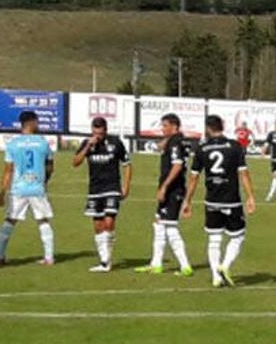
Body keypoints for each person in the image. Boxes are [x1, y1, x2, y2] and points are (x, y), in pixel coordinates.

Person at [183, 115, 257, 288]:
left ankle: (216, 276)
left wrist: (187, 201)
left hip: (212, 200)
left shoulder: (202, 149)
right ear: (222, 126)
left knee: (214, 239)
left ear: (208, 128)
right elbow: (243, 173)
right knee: (238, 236)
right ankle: (225, 265)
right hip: (232, 199)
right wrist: (251, 197)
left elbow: (194, 178)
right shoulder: (235, 146)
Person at [0, 111, 56, 266]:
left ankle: (0, 255)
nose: (38, 124)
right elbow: (50, 166)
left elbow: (8, 170)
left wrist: (2, 192)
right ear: (31, 123)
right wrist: (45, 180)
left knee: (10, 220)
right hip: (37, 188)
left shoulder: (13, 144)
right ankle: (49, 257)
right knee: (43, 220)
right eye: (37, 122)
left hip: (18, 189)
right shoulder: (42, 142)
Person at [136, 113, 193, 276]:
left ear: (174, 126)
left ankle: (185, 266)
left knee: (170, 228)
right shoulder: (178, 140)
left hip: (173, 190)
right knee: (158, 224)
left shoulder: (175, 142)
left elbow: (177, 166)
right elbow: (161, 146)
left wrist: (164, 187)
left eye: (165, 126)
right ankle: (156, 264)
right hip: (172, 190)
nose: (162, 129)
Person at [73, 117, 132, 273]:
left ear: (105, 130)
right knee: (98, 226)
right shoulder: (87, 143)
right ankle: (104, 261)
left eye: (100, 132)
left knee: (109, 223)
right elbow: (75, 162)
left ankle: (106, 260)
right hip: (94, 190)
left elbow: (127, 165)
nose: (97, 135)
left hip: (112, 187)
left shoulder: (116, 143)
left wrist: (126, 187)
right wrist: (87, 148)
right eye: (94, 132)